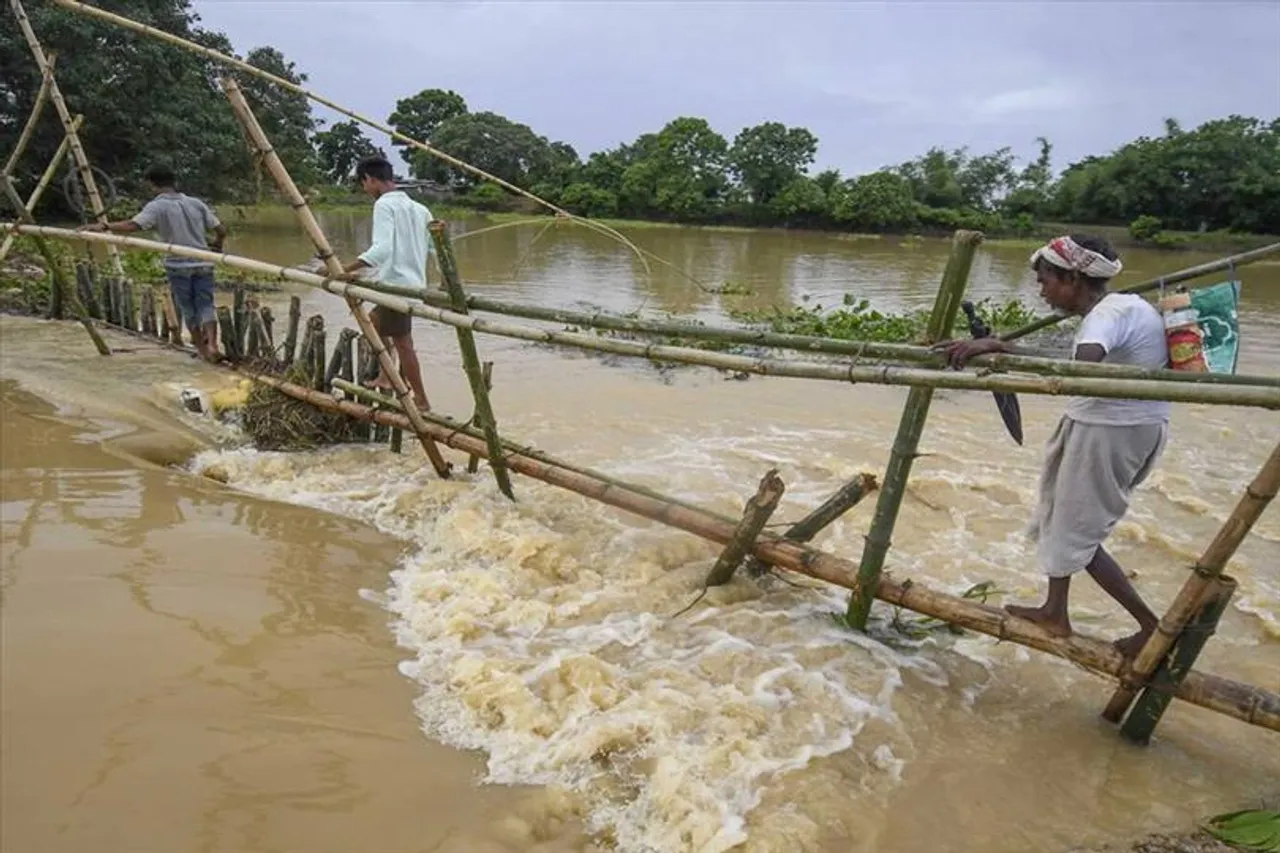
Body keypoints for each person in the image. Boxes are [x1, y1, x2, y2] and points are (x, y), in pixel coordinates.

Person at [935, 234, 1170, 658]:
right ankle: (1055, 610)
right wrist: (1001, 345)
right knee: (1063, 518)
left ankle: (1151, 626)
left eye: (1046, 281)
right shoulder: (1122, 309)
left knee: (1079, 531)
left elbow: (1078, 368)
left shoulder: (1108, 315)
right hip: (1119, 425)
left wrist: (1001, 351)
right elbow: (1080, 353)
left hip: (1111, 430)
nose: (1041, 291)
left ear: (1074, 277)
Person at [80, 165, 227, 362]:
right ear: (174, 182)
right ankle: (214, 345)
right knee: (206, 305)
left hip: (178, 264)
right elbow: (221, 229)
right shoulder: (196, 203)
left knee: (188, 308)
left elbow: (134, 225)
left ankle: (202, 351)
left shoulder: (157, 206)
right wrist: (217, 244)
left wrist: (104, 226)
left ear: (151, 184)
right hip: (204, 262)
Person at [338, 155, 431, 410]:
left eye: (363, 184)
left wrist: (343, 269)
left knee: (402, 343)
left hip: (396, 286)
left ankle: (420, 398)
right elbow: (432, 248)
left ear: (370, 179)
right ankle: (388, 375)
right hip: (410, 284)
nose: (365, 190)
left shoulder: (384, 206)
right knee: (375, 324)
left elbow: (381, 250)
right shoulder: (420, 209)